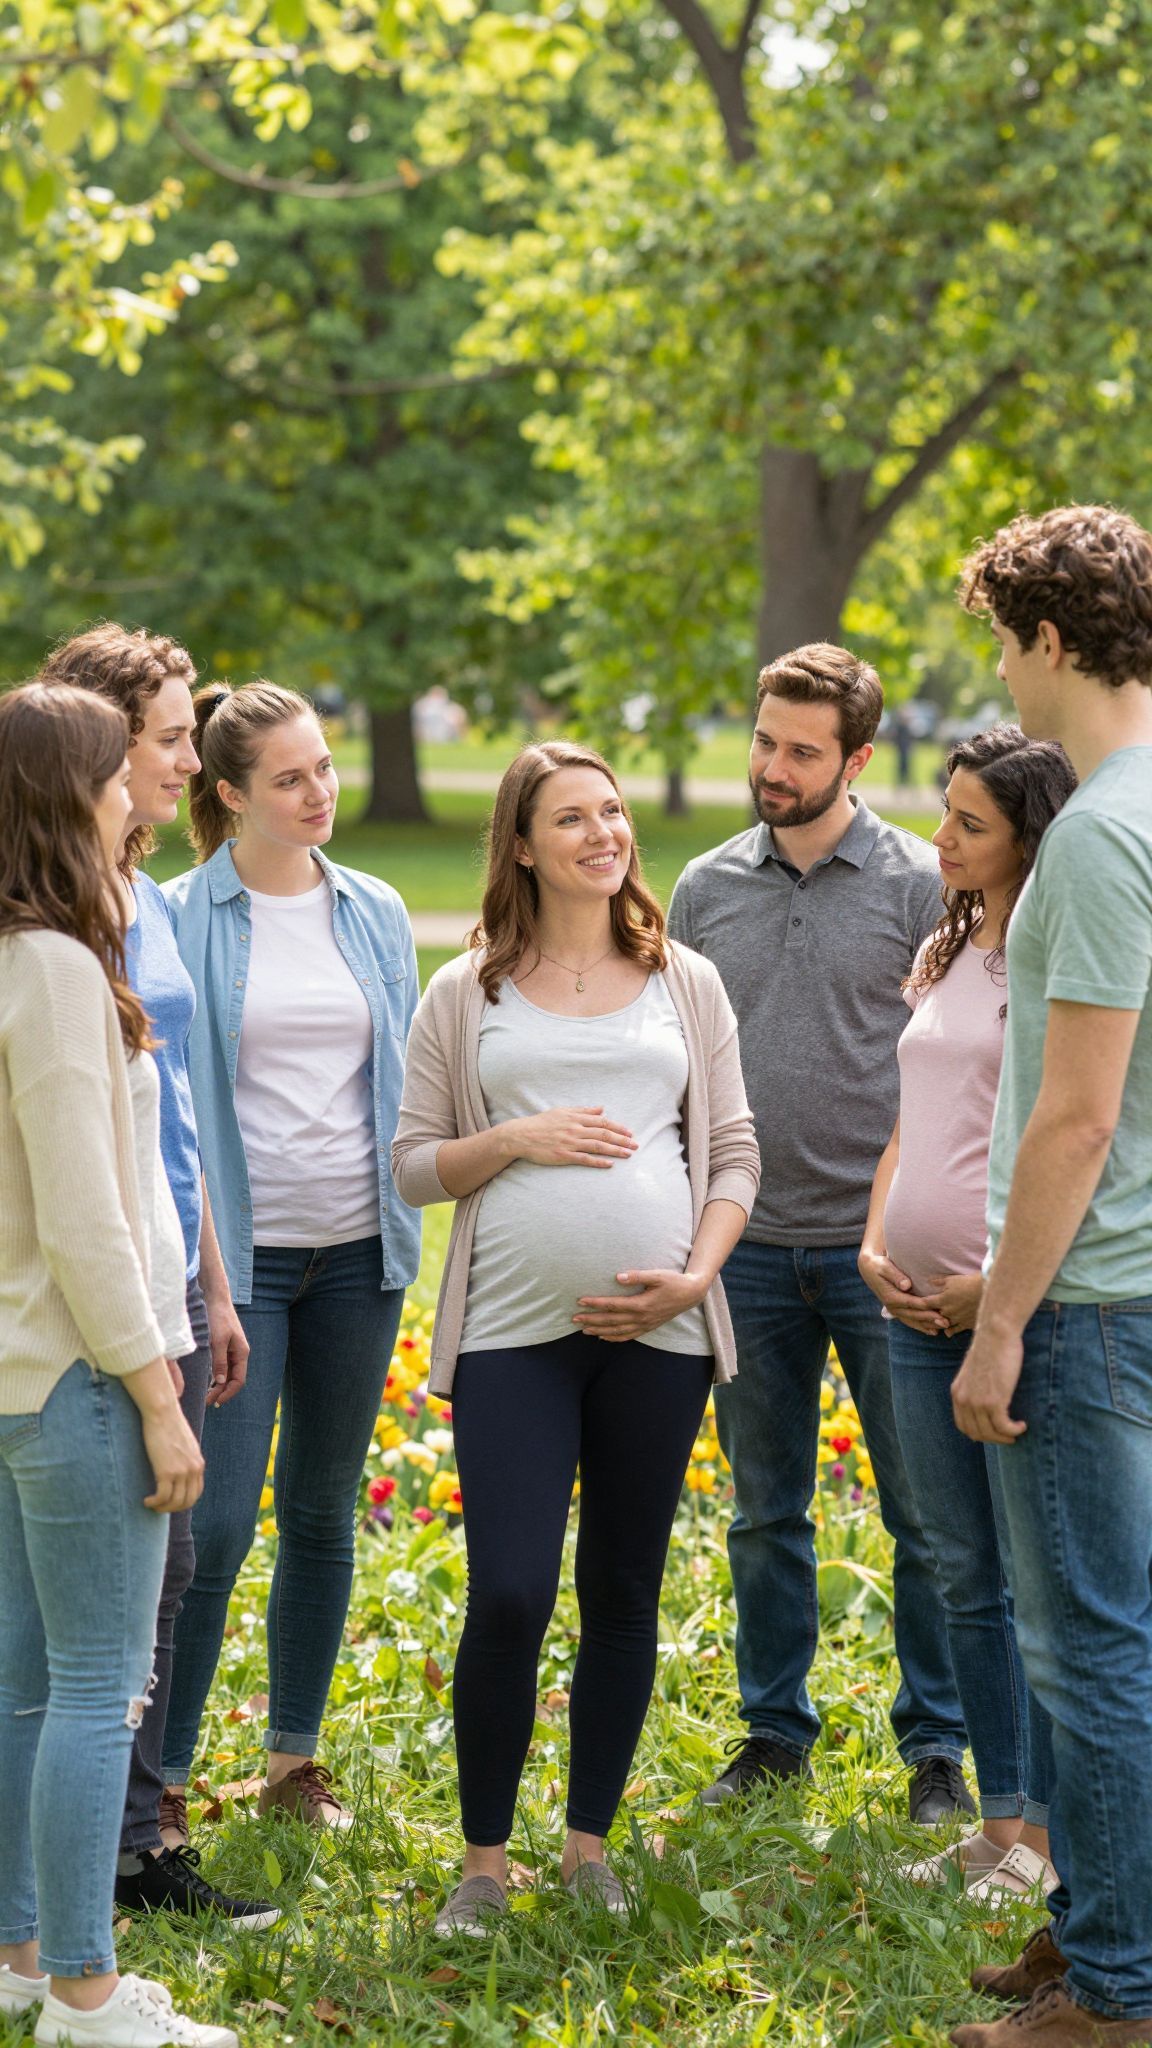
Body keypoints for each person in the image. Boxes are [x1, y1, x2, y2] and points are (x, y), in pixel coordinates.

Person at [392, 740, 760, 1934]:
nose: (604, 833)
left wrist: (692, 1279)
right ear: (521, 843)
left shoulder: (684, 980)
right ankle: (483, 1864)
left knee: (622, 1585)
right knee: (506, 1590)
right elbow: (412, 1165)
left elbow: (736, 1152)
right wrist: (516, 1138)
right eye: (573, 818)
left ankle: (588, 1843)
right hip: (511, 1332)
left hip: (658, 1333)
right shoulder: (467, 992)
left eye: (612, 812)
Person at [667, 642, 969, 1821]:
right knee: (764, 1507)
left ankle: (937, 1748)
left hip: (881, 1250)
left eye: (803, 750)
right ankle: (774, 1730)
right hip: (742, 1243)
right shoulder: (703, 887)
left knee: (923, 1512)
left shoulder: (913, 882)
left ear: (856, 756)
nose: (774, 767)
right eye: (764, 740)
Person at [0, 683, 233, 2048]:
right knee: (99, 1687)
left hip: (33, 1368)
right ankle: (88, 1992)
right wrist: (159, 1395)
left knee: (31, 1683)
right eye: (113, 770)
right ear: (70, 793)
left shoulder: (31, 950)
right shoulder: (51, 963)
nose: (131, 790)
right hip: (87, 1374)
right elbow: (89, 1212)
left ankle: (25, 1954)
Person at [947, 507, 1152, 2048]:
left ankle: (1118, 1990)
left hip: (1088, 1305)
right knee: (1114, 1641)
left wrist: (998, 1321)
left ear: (1052, 640)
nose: (1001, 675)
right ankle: (1095, 1930)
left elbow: (1076, 1117)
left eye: (1004, 642)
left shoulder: (1093, 833)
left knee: (1086, 1656)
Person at [38, 626, 275, 1929]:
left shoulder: (141, 891)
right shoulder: (60, 909)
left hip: (176, 1262)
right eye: (174, 735)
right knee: (111, 1593)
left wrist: (219, 1290)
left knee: (169, 1572)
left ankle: (132, 1842)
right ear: (103, 743)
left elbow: (169, 1107)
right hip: (101, 1284)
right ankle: (101, 1866)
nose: (193, 756)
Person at [161, 681, 420, 1831]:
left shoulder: (373, 907)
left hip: (358, 1255)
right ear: (229, 793)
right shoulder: (179, 915)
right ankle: (158, 1781)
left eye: (324, 766)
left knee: (320, 1511)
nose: (319, 792)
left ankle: (289, 1762)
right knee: (210, 1531)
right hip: (242, 1267)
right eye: (288, 778)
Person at [860, 726, 1075, 1903]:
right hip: (906, 1304)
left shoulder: (1046, 954)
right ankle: (998, 1824)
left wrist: (992, 1287)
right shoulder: (949, 941)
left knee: (1032, 1577)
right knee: (959, 1571)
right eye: (942, 813)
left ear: (1028, 838)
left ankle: (1046, 1835)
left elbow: (1066, 1139)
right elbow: (912, 1118)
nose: (939, 838)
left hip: (1011, 1309)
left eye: (969, 824)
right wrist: (874, 1233)